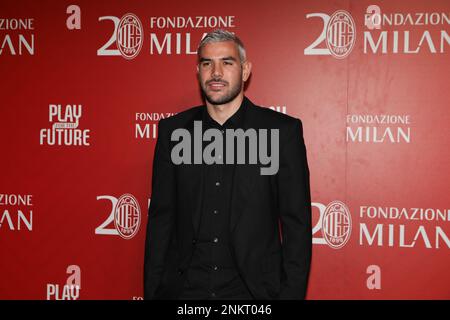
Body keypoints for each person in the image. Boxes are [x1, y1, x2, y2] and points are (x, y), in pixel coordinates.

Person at [144, 29, 312, 300]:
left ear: (245, 71)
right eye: (207, 63)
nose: (216, 72)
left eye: (227, 62)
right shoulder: (173, 132)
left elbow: (297, 225)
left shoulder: (281, 133)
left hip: (253, 294)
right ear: (198, 72)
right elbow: (161, 220)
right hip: (186, 293)